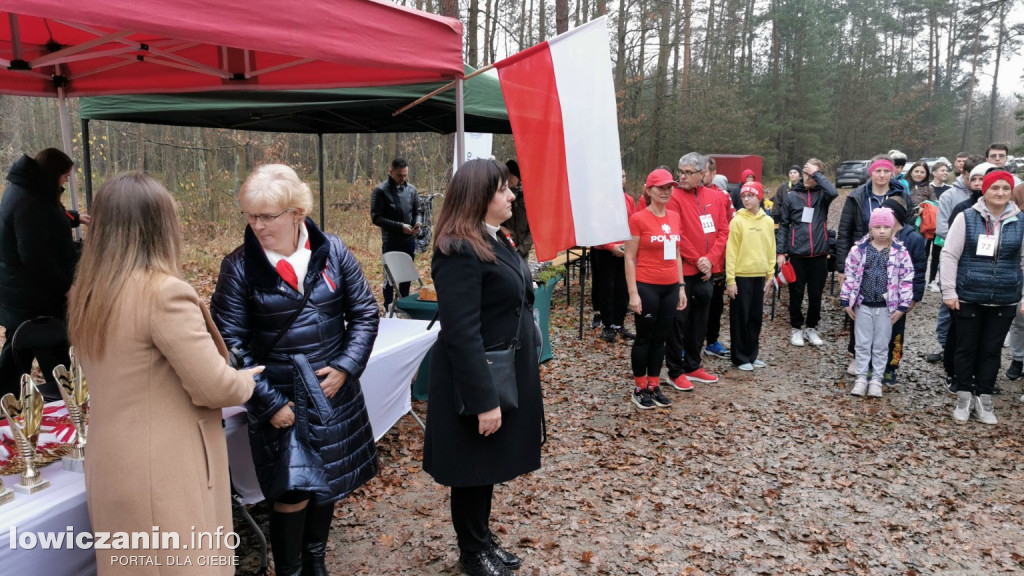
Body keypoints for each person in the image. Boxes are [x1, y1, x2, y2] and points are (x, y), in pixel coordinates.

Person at [67, 172, 261, 575]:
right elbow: (215, 387)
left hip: (111, 463)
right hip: (164, 472)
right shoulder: (163, 293)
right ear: (160, 226)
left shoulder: (89, 292)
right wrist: (247, 379)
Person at [212, 164, 380, 575]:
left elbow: (364, 313)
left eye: (266, 216)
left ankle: (315, 563)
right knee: (292, 490)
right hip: (280, 399)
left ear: (296, 214)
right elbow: (230, 345)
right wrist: (269, 404)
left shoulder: (333, 250)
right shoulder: (238, 267)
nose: (256, 226)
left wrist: (346, 367)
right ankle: (289, 570)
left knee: (326, 482)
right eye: (250, 216)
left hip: (331, 395)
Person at [423, 159, 544, 576]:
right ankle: (472, 551)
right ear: (479, 197)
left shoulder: (494, 238)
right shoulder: (458, 249)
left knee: (485, 463)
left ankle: (481, 537)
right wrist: (484, 400)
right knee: (472, 467)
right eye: (503, 190)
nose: (512, 195)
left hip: (500, 371)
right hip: (477, 378)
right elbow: (462, 333)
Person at [0, 148, 87, 400]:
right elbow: (34, 256)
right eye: (65, 177)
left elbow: (48, 218)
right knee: (52, 350)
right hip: (33, 299)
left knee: (18, 349)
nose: (65, 182)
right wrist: (65, 287)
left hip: (20, 295)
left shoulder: (29, 189)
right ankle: (66, 400)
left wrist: (74, 218)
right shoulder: (29, 202)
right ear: (52, 174)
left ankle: (6, 399)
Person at [940, 171, 1022, 424]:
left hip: (1005, 297)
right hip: (969, 295)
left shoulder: (1020, 220)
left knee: (991, 350)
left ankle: (984, 398)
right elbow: (949, 254)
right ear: (984, 190)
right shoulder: (966, 217)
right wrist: (949, 290)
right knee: (966, 348)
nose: (1000, 193)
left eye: (1005, 188)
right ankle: (964, 396)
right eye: (995, 188)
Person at [837, 156, 911, 371]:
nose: (882, 175)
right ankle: (857, 355)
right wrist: (842, 267)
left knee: (888, 313)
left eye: (886, 171)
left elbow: (908, 226)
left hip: (892, 259)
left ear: (892, 173)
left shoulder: (901, 195)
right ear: (871, 172)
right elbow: (845, 231)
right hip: (863, 259)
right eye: (878, 171)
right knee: (859, 307)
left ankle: (885, 362)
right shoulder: (857, 196)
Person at [625, 169, 691, 408]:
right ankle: (639, 387)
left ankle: (653, 384)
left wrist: (681, 286)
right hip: (647, 287)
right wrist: (633, 293)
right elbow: (629, 257)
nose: (666, 191)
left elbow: (677, 254)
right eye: (661, 187)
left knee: (661, 339)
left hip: (670, 287)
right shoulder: (638, 218)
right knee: (644, 338)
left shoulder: (674, 217)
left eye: (669, 187)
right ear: (649, 190)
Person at [663, 152, 729, 388]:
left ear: (702, 174)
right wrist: (698, 259)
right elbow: (677, 234)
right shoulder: (673, 197)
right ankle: (675, 370)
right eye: (680, 172)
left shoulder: (716, 197)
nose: (682, 176)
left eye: (688, 172)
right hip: (683, 272)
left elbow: (723, 231)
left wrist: (710, 260)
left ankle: (693, 365)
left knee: (700, 321)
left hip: (707, 272)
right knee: (678, 322)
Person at [840, 207, 914, 398]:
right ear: (870, 228)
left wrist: (903, 305)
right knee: (862, 343)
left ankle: (876, 380)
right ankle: (861, 377)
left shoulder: (900, 252)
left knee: (881, 344)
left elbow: (906, 278)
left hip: (886, 307)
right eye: (877, 227)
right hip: (863, 304)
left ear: (892, 229)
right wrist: (846, 299)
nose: (882, 231)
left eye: (886, 227)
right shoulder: (859, 250)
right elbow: (850, 275)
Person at [926, 155, 986, 365]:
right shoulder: (950, 195)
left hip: (982, 262)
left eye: (981, 178)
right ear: (964, 174)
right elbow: (941, 227)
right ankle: (943, 343)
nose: (977, 183)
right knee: (949, 302)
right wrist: (963, 241)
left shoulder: (994, 195)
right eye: (972, 177)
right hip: (955, 256)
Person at [776, 159, 838, 347]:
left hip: (819, 254)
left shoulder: (823, 195)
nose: (808, 177)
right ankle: (796, 328)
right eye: (806, 173)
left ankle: (811, 328)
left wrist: (817, 174)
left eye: (812, 174)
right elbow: (784, 225)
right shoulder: (792, 196)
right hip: (797, 254)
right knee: (796, 294)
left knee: (816, 295)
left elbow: (834, 192)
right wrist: (781, 252)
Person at [725, 182, 775, 371]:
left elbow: (771, 248)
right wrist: (731, 280)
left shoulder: (767, 221)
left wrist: (770, 274)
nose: (746, 199)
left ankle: (752, 355)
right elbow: (731, 252)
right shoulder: (737, 221)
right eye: (744, 196)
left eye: (750, 195)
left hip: (759, 275)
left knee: (755, 317)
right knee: (740, 317)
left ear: (759, 197)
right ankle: (739, 357)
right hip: (741, 276)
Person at [879, 198, 927, 385]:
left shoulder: (913, 238)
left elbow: (919, 269)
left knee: (895, 334)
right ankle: (872, 364)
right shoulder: (876, 234)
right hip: (875, 295)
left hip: (899, 297)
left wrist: (914, 296)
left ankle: (891, 367)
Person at [371, 157, 421, 311]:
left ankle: (404, 306)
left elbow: (418, 211)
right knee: (390, 277)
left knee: (406, 276)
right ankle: (388, 307)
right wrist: (400, 227)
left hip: (409, 240)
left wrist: (417, 223)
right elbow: (376, 217)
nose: (403, 178)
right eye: (400, 175)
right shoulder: (380, 190)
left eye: (405, 175)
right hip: (391, 240)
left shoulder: (412, 189)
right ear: (391, 172)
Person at [593, 174, 636, 342]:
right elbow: (595, 228)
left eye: (624, 176)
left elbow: (633, 224)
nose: (621, 179)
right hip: (605, 251)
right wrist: (611, 246)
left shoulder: (628, 200)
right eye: (618, 175)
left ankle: (619, 323)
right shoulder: (600, 200)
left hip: (625, 250)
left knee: (622, 288)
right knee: (607, 288)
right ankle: (608, 325)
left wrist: (629, 246)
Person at [924, 162, 952, 291]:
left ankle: (932, 280)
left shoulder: (949, 189)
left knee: (937, 254)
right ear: (934, 173)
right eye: (942, 170)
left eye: (946, 170)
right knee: (924, 253)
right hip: (928, 225)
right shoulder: (927, 188)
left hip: (941, 226)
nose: (945, 173)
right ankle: (922, 279)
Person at [502, 159, 532, 259]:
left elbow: (532, 229)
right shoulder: (502, 196)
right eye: (507, 175)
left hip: (523, 251)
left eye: (511, 175)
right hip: (506, 249)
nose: (509, 178)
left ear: (517, 177)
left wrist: (521, 250)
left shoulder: (527, 197)